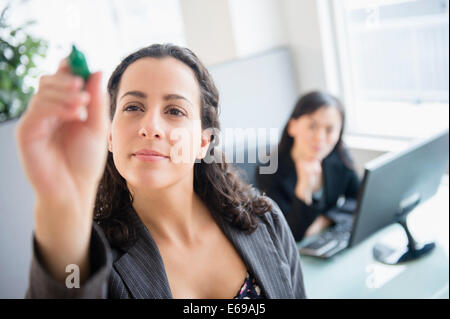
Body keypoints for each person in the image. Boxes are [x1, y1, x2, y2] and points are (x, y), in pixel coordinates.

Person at [15, 43, 306, 299]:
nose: (150, 126)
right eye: (133, 107)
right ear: (111, 136)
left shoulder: (265, 220)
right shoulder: (89, 261)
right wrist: (60, 204)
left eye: (175, 111)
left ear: (204, 142)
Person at [256, 91, 360, 242]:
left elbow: (360, 198)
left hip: (327, 239)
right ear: (293, 126)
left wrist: (326, 220)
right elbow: (289, 234)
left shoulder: (339, 154)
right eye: (312, 126)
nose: (320, 138)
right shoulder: (268, 170)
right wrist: (304, 188)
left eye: (330, 130)